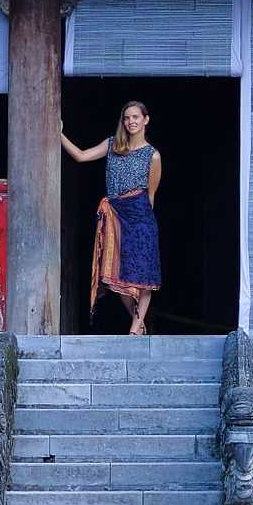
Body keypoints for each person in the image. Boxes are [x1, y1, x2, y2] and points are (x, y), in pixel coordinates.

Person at [61, 101, 163, 335]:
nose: (131, 122)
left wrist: (145, 224)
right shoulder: (112, 145)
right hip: (115, 212)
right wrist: (59, 133)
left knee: (143, 275)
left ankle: (135, 328)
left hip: (140, 215)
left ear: (145, 120)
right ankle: (139, 321)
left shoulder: (152, 156)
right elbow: (81, 156)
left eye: (136, 117)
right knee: (114, 273)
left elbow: (151, 195)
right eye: (127, 118)